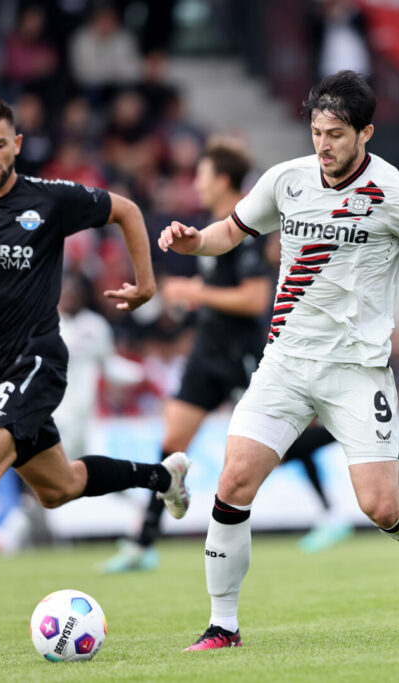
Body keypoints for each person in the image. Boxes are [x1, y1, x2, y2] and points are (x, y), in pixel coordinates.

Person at [158, 70, 399, 651]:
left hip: (356, 369)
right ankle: (222, 624)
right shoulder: (286, 179)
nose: (323, 144)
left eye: (335, 134)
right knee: (233, 481)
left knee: (379, 505)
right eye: (316, 131)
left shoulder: (395, 192)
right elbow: (228, 232)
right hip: (285, 362)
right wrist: (190, 240)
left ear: (366, 133)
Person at [0, 95, 191, 646]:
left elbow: (125, 208)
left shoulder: (49, 201)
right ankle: (163, 478)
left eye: (0, 144)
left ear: (17, 144)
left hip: (38, 359)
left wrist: (146, 283)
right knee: (60, 486)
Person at [101, 140, 340, 571]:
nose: (196, 183)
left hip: (241, 354)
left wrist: (194, 292)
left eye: (203, 175)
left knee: (280, 444)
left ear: (223, 180)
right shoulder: (210, 227)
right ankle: (143, 542)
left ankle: (346, 434)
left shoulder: (248, 231)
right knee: (172, 444)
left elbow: (253, 299)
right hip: (206, 352)